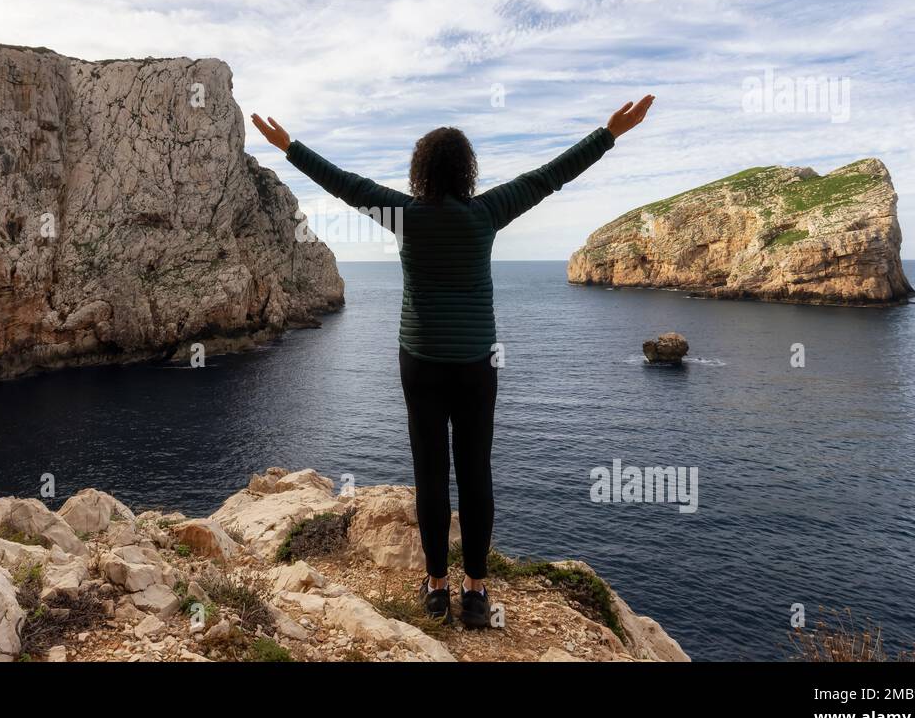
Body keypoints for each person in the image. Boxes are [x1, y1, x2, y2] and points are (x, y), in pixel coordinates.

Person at [251, 95, 654, 626]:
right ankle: (476, 591)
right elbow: (552, 175)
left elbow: (343, 183)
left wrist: (289, 148)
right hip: (475, 365)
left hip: (419, 362)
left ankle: (436, 586)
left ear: (421, 172)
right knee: (476, 473)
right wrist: (609, 133)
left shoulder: (404, 215)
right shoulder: (487, 211)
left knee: (431, 474)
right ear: (467, 172)